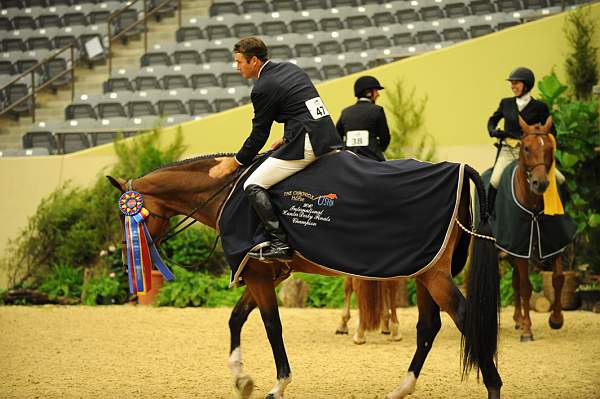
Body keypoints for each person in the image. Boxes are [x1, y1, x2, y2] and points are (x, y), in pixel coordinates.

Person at [210, 37, 341, 261]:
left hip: (307, 140)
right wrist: (287, 136)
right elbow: (302, 106)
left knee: (252, 184)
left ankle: (280, 243)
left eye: (239, 62)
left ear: (253, 61)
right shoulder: (288, 68)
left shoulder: (262, 88)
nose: (237, 67)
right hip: (323, 133)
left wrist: (234, 162)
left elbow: (259, 135)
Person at [487, 66, 564, 212]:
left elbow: (551, 131)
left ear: (526, 85)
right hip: (509, 151)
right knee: (495, 180)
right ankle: (487, 218)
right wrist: (492, 130)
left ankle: (564, 215)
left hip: (534, 154)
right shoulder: (506, 103)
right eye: (511, 83)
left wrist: (543, 142)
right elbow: (493, 119)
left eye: (516, 83)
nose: (512, 86)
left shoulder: (540, 106)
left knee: (560, 179)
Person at [336, 76, 390, 162]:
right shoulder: (377, 110)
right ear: (368, 93)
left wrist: (344, 150)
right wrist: (378, 149)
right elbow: (385, 137)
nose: (378, 94)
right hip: (372, 158)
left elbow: (337, 137)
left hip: (350, 160)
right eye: (376, 91)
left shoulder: (345, 112)